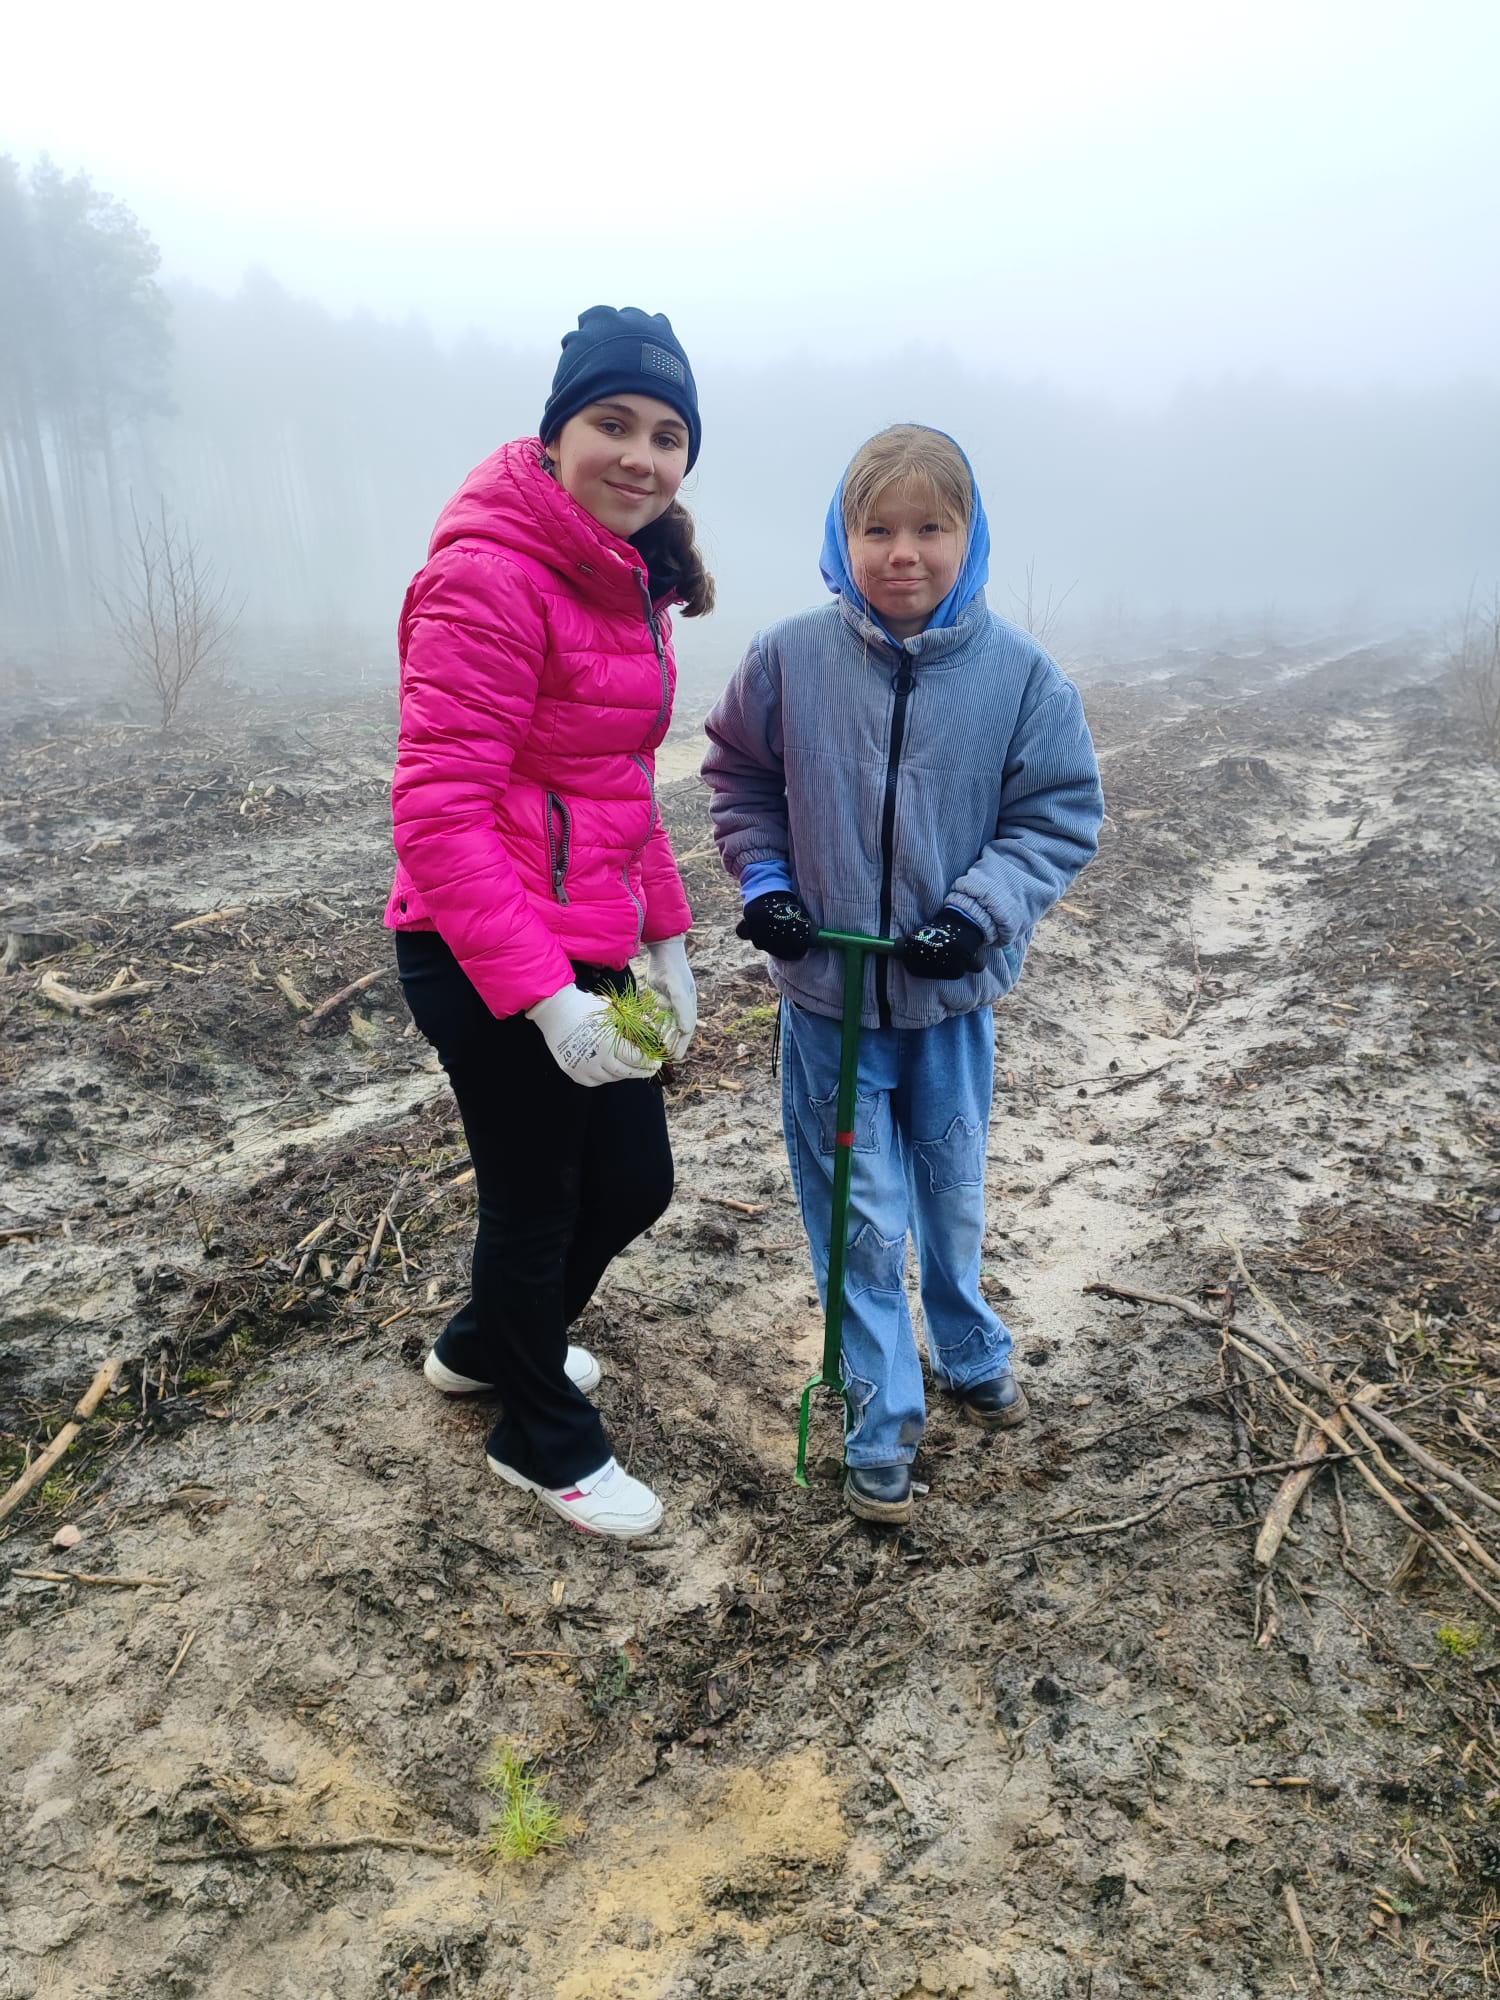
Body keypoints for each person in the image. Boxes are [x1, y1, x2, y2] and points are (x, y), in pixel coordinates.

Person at [701, 424, 1103, 1523]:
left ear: (970, 538)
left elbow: (1058, 814)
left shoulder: (1022, 679)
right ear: (844, 537)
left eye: (931, 527)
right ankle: (882, 1416)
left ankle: (970, 1344)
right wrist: (768, 883)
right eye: (876, 528)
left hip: (948, 1006)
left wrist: (977, 914)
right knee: (859, 1214)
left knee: (950, 1192)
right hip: (827, 1003)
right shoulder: (787, 658)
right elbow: (740, 778)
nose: (903, 552)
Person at [387, 306, 713, 1539]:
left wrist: (667, 942)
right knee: (538, 1199)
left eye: (668, 435)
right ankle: (541, 1435)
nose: (640, 455)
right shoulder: (492, 574)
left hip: (587, 940)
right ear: (558, 432)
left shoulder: (625, 584)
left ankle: (486, 1344)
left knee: (630, 1180)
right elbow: (439, 815)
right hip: (478, 949)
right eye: (613, 423)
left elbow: (617, 788)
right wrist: (545, 998)